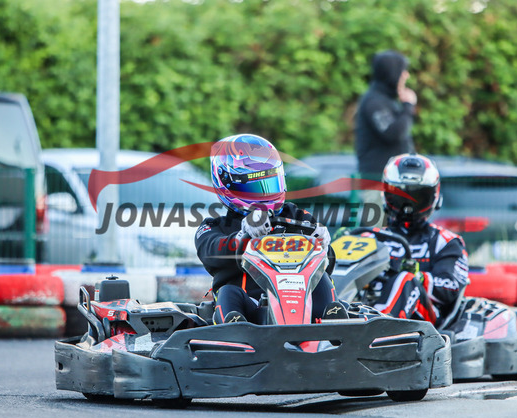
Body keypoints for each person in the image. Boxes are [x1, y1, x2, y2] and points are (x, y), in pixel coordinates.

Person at [195, 134, 343, 324]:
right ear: (227, 184)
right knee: (228, 292)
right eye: (254, 186)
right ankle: (235, 327)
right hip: (250, 310)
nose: (265, 193)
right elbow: (213, 253)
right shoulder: (215, 226)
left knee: (322, 279)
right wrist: (243, 235)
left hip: (301, 304)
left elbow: (328, 265)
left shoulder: (297, 216)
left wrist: (323, 246)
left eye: (270, 183)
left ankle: (333, 320)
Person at [368, 153, 468, 326]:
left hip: (426, 322)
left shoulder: (446, 242)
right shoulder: (369, 237)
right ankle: (328, 323)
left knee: (406, 279)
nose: (408, 206)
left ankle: (378, 326)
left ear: (433, 197)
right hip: (366, 308)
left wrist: (418, 277)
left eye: (418, 197)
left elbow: (450, 288)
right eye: (400, 197)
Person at [354, 50, 417, 180]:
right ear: (392, 73)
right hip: (377, 181)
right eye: (402, 71)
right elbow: (393, 133)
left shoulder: (387, 100)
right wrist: (407, 107)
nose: (406, 75)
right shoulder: (374, 101)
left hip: (391, 179)